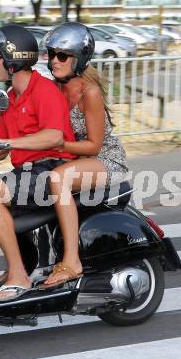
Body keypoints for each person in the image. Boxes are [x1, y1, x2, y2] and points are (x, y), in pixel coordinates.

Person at [0, 24, 76, 302]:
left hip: (50, 167)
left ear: (12, 59)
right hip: (24, 172)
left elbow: (54, 136)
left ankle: (18, 275)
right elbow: (0, 149)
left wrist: (8, 143)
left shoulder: (44, 90)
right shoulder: (10, 98)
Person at [40, 22, 129, 288]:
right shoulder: (55, 88)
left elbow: (93, 145)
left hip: (106, 160)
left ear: (78, 59)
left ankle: (72, 261)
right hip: (75, 160)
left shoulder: (89, 93)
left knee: (58, 179)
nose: (54, 60)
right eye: (51, 54)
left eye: (62, 56)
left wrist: (57, 146)